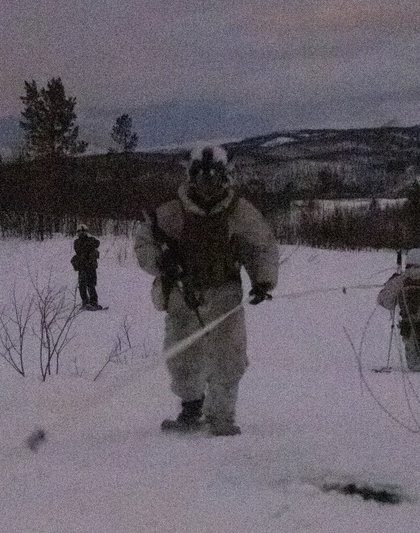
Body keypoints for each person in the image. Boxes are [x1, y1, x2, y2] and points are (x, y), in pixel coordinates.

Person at [133, 144, 279, 436]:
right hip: (181, 295)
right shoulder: (171, 210)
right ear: (191, 176)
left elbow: (262, 245)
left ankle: (221, 416)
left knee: (229, 356)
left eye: (214, 175)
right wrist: (161, 262)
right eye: (202, 175)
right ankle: (190, 408)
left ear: (225, 176)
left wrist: (263, 281)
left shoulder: (239, 211)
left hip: (226, 293)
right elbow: (144, 243)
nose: (208, 182)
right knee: (182, 355)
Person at [71, 224, 102, 309]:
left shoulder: (91, 240)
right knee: (82, 285)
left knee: (91, 284)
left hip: (91, 266)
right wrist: (88, 247)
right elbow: (79, 250)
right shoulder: (77, 242)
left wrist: (89, 241)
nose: (80, 234)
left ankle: (94, 302)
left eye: (82, 232)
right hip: (82, 266)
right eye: (79, 232)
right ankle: (85, 302)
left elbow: (97, 243)